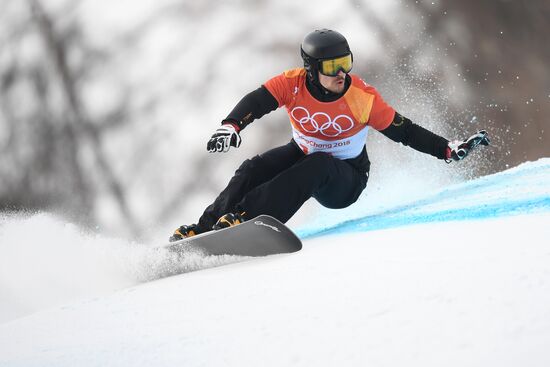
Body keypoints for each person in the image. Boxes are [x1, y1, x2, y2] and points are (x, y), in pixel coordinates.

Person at [169, 28, 490, 241]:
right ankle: (205, 228)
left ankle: (244, 219)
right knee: (252, 168)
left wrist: (447, 149)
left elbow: (405, 132)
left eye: (346, 63)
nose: (341, 73)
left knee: (318, 164)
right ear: (311, 69)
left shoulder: (361, 98)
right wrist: (231, 125)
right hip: (304, 154)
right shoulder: (291, 84)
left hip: (346, 179)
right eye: (333, 66)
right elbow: (257, 101)